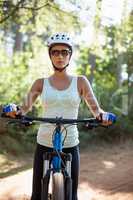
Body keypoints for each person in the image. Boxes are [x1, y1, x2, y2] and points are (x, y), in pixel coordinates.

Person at [3, 33, 116, 200]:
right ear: (50, 55)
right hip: (44, 142)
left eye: (64, 52)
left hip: (70, 142)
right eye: (55, 52)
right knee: (36, 196)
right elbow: (23, 110)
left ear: (70, 55)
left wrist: (104, 116)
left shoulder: (81, 82)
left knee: (72, 196)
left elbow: (97, 111)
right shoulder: (40, 83)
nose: (60, 56)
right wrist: (13, 109)